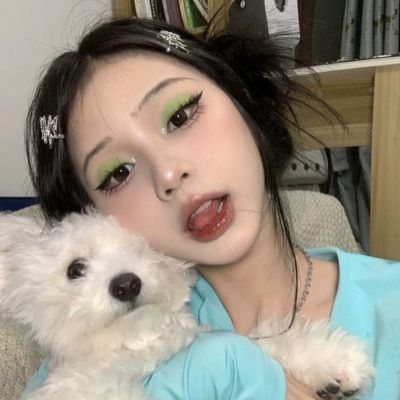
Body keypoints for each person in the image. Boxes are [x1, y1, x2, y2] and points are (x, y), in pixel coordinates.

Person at [21, 17, 400, 400]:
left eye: (180, 116)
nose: (168, 173)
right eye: (118, 172)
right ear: (91, 217)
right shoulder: (94, 350)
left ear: (241, 96)